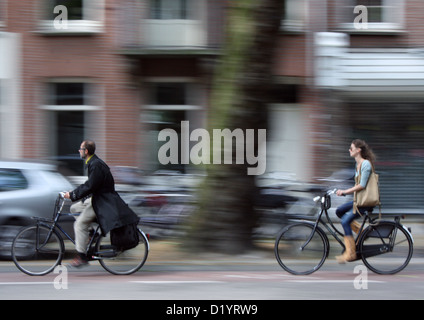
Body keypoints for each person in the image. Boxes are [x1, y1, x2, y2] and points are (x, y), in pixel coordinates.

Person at [64, 140, 139, 268]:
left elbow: (90, 186)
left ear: (86, 151)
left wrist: (72, 195)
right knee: (74, 208)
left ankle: (81, 257)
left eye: (80, 149)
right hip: (99, 198)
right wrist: (75, 195)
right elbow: (93, 186)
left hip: (102, 202)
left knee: (79, 224)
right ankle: (92, 233)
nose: (79, 151)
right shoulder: (93, 163)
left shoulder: (96, 165)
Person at [335, 139, 376, 263]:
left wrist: (345, 191)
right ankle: (362, 232)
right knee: (339, 211)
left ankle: (351, 253)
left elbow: (362, 185)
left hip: (365, 202)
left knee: (345, 221)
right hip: (359, 200)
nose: (349, 150)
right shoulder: (357, 165)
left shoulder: (366, 164)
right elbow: (353, 180)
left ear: (358, 150)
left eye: (351, 148)